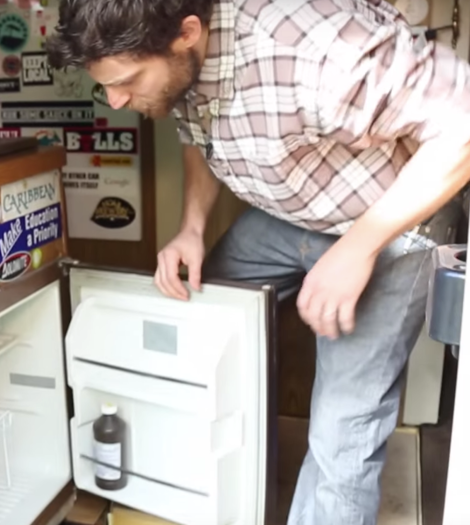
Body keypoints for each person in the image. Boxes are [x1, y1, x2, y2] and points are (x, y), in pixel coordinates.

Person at [47, 0, 469, 523]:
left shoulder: (313, 51)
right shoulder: (183, 67)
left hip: (391, 225)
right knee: (200, 320)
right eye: (105, 84)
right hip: (290, 214)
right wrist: (192, 229)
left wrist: (358, 249)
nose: (115, 100)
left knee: (344, 426)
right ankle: (222, 486)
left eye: (129, 79)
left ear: (187, 33)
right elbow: (195, 130)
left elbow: (463, 130)